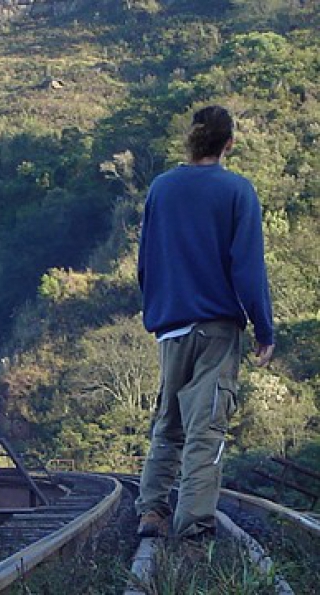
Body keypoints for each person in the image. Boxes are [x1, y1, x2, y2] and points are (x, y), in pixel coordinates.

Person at [135, 105, 275, 542]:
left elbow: (145, 263)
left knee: (168, 424)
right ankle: (194, 525)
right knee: (206, 428)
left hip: (172, 327)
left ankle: (151, 512)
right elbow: (247, 268)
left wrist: (160, 310)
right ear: (228, 142)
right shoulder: (237, 191)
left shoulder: (161, 188)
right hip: (217, 328)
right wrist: (263, 329)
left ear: (191, 139)